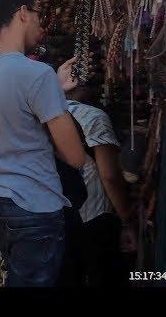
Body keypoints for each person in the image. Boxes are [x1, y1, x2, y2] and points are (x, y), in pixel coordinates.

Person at [0, 0, 85, 287]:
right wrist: (56, 95)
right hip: (33, 206)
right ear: (23, 13)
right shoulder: (38, 74)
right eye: (37, 15)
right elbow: (74, 156)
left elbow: (14, 117)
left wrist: (53, 92)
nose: (41, 24)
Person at [56, 59, 136, 286]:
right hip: (95, 217)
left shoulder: (50, 115)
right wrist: (127, 220)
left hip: (61, 215)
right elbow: (109, 177)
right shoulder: (94, 117)